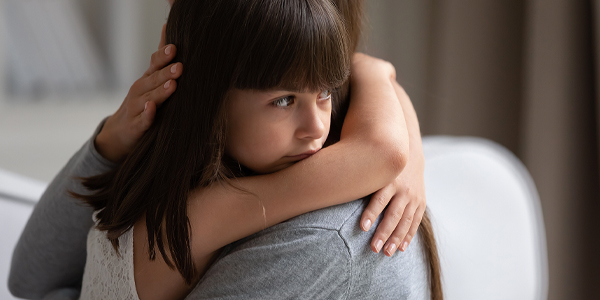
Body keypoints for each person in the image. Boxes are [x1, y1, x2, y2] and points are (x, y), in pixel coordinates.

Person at [9, 0, 441, 299]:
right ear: (206, 97)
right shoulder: (195, 214)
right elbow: (383, 153)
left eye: (326, 90)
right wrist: (377, 74)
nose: (316, 130)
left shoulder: (307, 230)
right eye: (284, 101)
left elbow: (383, 153)